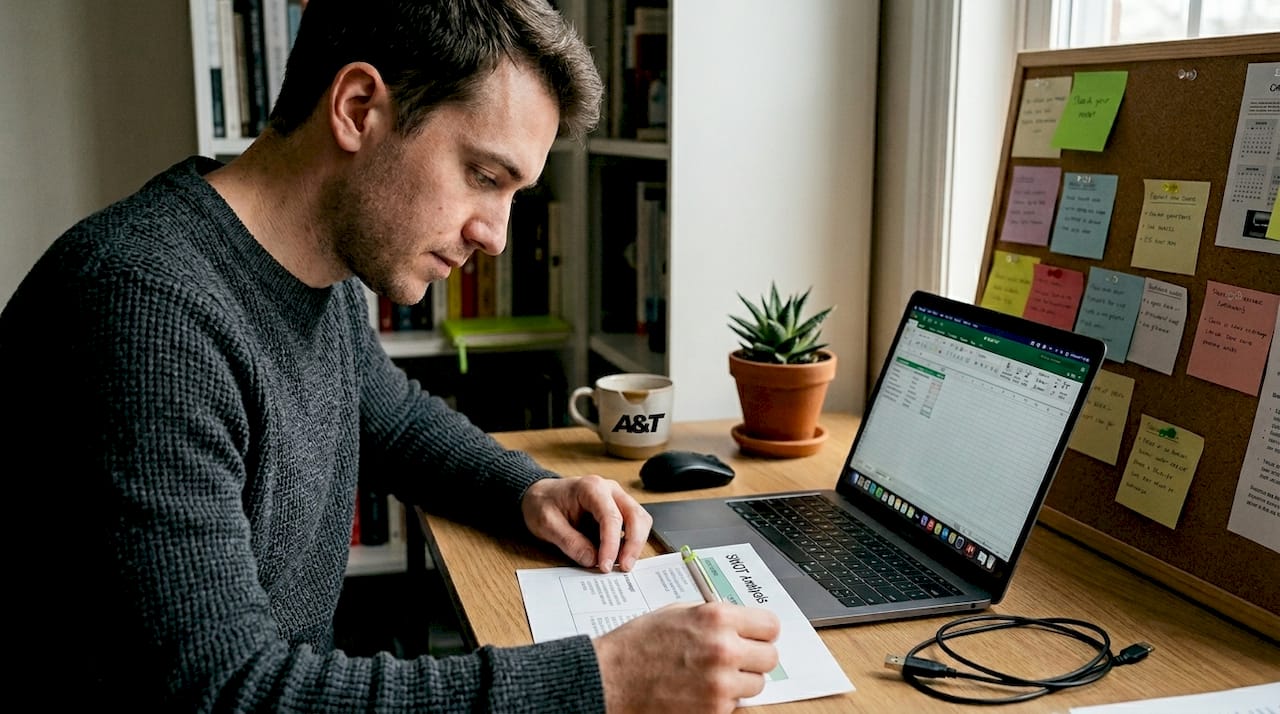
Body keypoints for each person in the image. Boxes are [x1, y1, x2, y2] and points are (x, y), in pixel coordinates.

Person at [0, 1, 781, 711]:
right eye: (483, 176)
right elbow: (228, 692)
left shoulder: (316, 263)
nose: (495, 236)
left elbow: (390, 416)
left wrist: (528, 490)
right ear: (357, 108)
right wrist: (603, 682)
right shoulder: (143, 312)